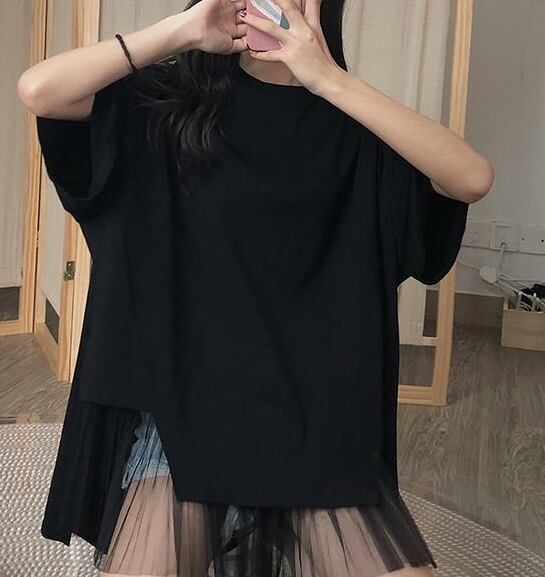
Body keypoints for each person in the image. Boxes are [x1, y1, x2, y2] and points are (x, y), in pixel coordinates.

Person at [18, 0, 494, 576]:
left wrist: (327, 79)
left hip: (314, 421)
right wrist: (184, 30)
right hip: (183, 417)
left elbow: (471, 178)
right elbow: (41, 90)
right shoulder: (165, 107)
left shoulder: (355, 124)